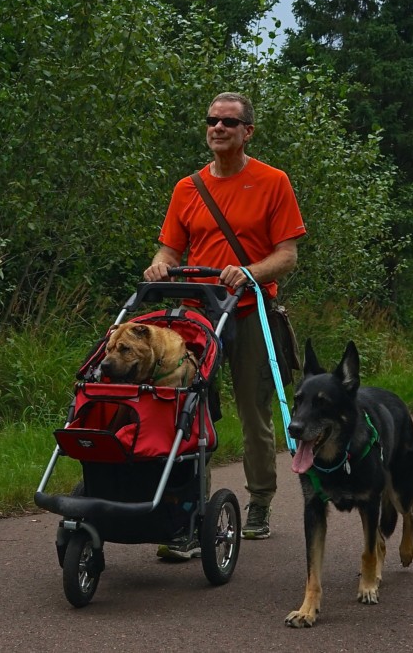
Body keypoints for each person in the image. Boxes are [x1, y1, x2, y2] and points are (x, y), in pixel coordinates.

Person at [144, 92, 306, 558]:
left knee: (254, 411)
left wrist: (251, 271)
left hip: (251, 310)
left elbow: (288, 255)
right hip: (198, 314)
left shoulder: (273, 182)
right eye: (212, 120)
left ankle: (258, 504)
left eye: (229, 123)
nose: (218, 128)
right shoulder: (187, 188)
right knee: (190, 410)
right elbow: (170, 250)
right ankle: (190, 513)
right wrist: (159, 265)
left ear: (247, 132)